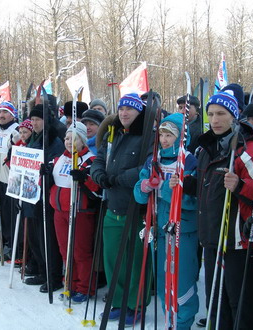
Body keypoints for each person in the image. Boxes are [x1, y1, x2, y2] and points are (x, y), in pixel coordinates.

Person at [184, 91, 253, 329]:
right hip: (211, 237)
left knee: (241, 304)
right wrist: (188, 184)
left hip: (237, 240)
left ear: (234, 116)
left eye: (221, 114)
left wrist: (240, 186)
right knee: (216, 304)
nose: (215, 120)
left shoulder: (248, 150)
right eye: (211, 114)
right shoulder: (207, 148)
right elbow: (209, 190)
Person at [90, 93, 153, 326]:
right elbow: (99, 160)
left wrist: (116, 178)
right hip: (112, 206)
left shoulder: (147, 136)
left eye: (130, 109)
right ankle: (118, 301)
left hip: (135, 208)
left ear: (139, 112)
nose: (125, 113)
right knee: (112, 258)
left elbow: (146, 168)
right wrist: (99, 175)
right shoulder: (112, 133)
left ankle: (135, 304)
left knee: (135, 261)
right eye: (122, 108)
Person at [134, 113, 199, 329]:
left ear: (180, 136)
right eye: (161, 134)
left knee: (181, 283)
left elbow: (192, 201)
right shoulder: (154, 160)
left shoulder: (189, 160)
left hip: (183, 231)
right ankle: (170, 321)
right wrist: (144, 187)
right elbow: (139, 193)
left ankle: (183, 324)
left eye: (169, 134)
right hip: (160, 228)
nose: (164, 139)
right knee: (163, 282)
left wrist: (165, 189)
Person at [50, 121, 100, 303]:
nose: (69, 142)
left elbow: (97, 189)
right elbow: (50, 182)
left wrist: (84, 178)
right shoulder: (59, 158)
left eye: (74, 138)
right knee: (65, 250)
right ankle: (70, 283)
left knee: (80, 251)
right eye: (67, 138)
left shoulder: (90, 160)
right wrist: (45, 174)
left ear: (83, 140)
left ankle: (85, 287)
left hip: (79, 211)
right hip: (59, 210)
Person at [22, 102, 64, 293]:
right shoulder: (34, 138)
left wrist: (48, 169)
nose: (35, 123)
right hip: (31, 193)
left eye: (38, 119)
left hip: (45, 195)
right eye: (32, 119)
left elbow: (57, 162)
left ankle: (53, 276)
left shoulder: (53, 140)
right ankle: (41, 269)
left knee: (47, 238)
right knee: (35, 237)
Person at [0, 101, 20, 260]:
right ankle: (6, 242)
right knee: (3, 212)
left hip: (12, 178)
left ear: (12, 115)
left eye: (5, 113)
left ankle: (15, 246)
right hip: (0, 177)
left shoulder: (15, 130)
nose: (2, 116)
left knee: (12, 213)